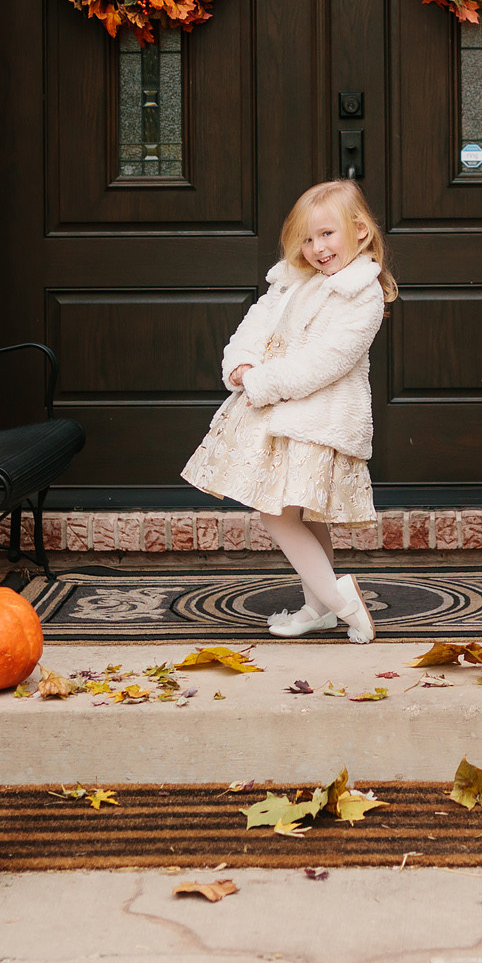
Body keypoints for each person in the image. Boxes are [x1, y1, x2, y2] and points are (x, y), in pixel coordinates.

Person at [181, 179, 395, 642]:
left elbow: (327, 361)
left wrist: (262, 382)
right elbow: (253, 325)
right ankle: (317, 608)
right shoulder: (291, 282)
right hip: (276, 414)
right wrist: (240, 363)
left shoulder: (363, 292)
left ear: (359, 231)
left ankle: (342, 602)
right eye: (307, 238)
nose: (317, 248)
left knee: (277, 513)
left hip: (316, 420)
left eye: (327, 235)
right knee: (304, 512)